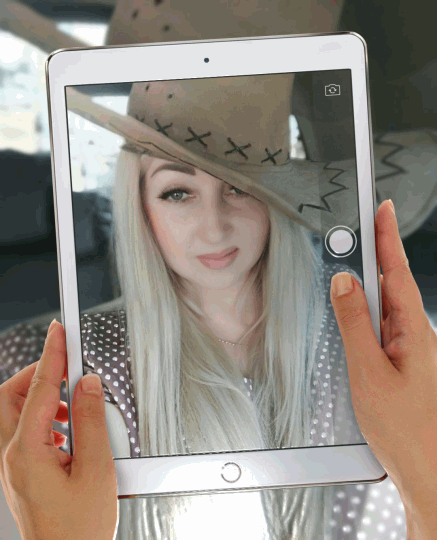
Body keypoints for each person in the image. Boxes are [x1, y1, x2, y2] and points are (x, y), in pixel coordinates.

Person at [1, 197, 437, 540]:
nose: (213, 226)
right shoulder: (73, 359)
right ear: (142, 209)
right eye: (178, 193)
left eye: (238, 189)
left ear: (273, 205)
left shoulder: (370, 345)